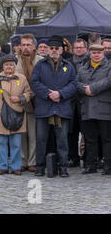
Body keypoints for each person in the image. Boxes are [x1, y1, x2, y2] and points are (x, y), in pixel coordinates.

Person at [31, 35, 77, 177]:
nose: (54, 51)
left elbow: (73, 84)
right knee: (41, 139)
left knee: (62, 141)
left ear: (62, 50)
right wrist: (48, 94)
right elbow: (35, 82)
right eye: (52, 48)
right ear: (48, 50)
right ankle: (40, 167)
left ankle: (63, 167)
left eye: (57, 48)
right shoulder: (40, 65)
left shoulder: (69, 66)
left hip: (61, 108)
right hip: (44, 107)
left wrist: (60, 94)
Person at [0, 55, 33, 175]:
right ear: (2, 66)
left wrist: (20, 98)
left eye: (11, 64)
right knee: (1, 143)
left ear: (15, 66)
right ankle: (2, 166)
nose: (9, 66)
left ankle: (16, 167)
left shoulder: (22, 79)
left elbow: (28, 93)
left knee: (16, 144)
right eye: (6, 64)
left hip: (16, 115)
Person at [76, 44, 111, 175]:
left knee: (107, 139)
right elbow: (76, 83)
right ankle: (91, 165)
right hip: (87, 107)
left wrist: (93, 88)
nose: (96, 55)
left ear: (103, 54)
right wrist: (85, 89)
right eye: (94, 52)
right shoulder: (82, 68)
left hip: (104, 108)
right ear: (90, 54)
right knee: (90, 139)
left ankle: (108, 166)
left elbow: (109, 81)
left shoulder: (109, 66)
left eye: (99, 53)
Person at [15, 33, 43, 173]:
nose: (25, 48)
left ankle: (32, 161)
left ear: (34, 46)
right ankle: (22, 161)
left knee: (33, 134)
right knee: (21, 134)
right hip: (19, 102)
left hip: (36, 102)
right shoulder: (15, 61)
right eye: (23, 45)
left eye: (28, 45)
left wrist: (29, 95)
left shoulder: (40, 61)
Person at [68, 38, 90, 168]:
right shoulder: (68, 63)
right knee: (71, 132)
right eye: (76, 48)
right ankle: (73, 157)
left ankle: (87, 157)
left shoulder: (90, 62)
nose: (78, 50)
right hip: (71, 102)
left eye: (81, 47)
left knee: (87, 132)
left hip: (86, 100)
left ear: (86, 48)